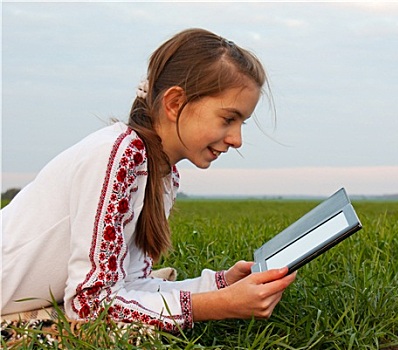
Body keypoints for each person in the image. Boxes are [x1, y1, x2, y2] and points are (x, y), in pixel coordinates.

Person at [1, 28, 296, 333]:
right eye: (228, 119)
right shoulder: (117, 155)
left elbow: (131, 285)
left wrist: (221, 285)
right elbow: (91, 305)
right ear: (174, 103)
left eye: (242, 123)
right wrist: (220, 305)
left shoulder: (160, 173)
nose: (237, 140)